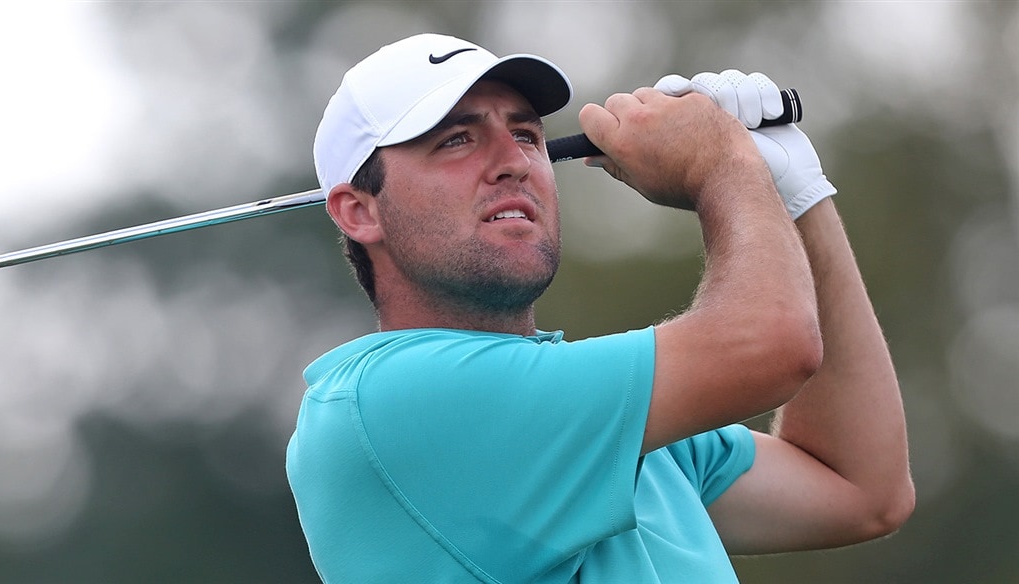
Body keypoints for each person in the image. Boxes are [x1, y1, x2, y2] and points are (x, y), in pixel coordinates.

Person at [286, 33, 914, 583]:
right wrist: (724, 166)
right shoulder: (389, 400)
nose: (514, 162)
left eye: (526, 132)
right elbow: (772, 346)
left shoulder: (622, 423)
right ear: (358, 211)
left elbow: (860, 488)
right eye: (457, 140)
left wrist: (795, 197)